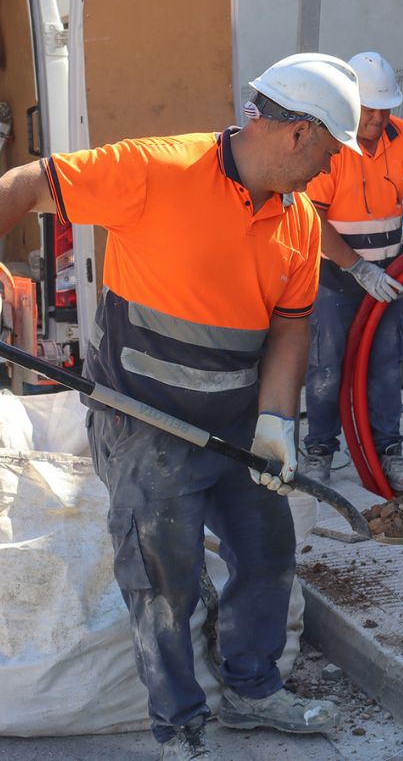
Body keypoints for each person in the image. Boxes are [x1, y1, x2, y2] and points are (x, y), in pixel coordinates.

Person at [0, 53, 362, 760]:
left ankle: (253, 692)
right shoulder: (159, 170)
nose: (328, 170)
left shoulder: (301, 223)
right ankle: (180, 723)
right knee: (164, 576)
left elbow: (290, 326)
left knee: (267, 554)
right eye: (327, 152)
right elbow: (26, 181)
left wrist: (276, 422)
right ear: (297, 133)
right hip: (145, 422)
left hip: (233, 422)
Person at [301, 51, 403, 491]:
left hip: (389, 272)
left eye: (384, 108)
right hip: (336, 276)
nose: (377, 118)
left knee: (385, 367)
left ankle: (388, 452)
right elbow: (313, 218)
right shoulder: (332, 144)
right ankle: (319, 451)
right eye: (369, 109)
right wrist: (357, 268)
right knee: (326, 368)